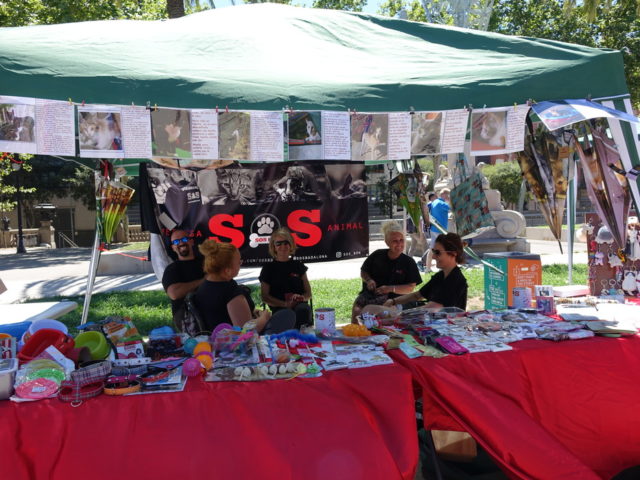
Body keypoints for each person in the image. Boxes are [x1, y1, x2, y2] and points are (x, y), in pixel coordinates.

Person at [194, 240, 295, 334]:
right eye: (239, 262)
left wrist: (253, 312)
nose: (241, 264)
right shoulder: (230, 291)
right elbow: (245, 331)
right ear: (227, 270)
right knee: (287, 315)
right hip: (235, 342)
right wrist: (264, 317)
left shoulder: (204, 286)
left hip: (213, 338)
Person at [351, 220, 422, 323]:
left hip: (395, 301)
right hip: (370, 296)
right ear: (387, 242)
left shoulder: (408, 262)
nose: (399, 244)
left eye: (401, 240)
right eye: (395, 241)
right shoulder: (377, 255)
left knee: (380, 314)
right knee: (357, 310)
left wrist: (390, 289)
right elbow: (364, 271)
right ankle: (356, 330)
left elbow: (410, 288)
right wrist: (369, 280)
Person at [385, 232, 467, 310]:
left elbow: (433, 307)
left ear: (453, 254)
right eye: (433, 251)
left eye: (437, 252)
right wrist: (393, 301)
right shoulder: (440, 276)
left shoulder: (455, 279)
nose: (433, 256)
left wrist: (398, 311)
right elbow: (417, 295)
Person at [259, 228, 313, 330]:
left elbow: (308, 293)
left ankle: (302, 338)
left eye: (286, 243)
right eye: (278, 243)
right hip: (279, 308)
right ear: (274, 247)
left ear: (291, 244)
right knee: (287, 314)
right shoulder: (268, 268)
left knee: (303, 310)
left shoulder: (298, 265)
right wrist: (284, 304)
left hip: (300, 307)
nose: (283, 246)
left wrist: (301, 298)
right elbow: (265, 297)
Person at [161, 229, 204, 329]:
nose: (181, 243)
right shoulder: (171, 269)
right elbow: (174, 294)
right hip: (187, 316)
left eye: (184, 239)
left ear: (191, 241)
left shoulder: (207, 262)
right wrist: (203, 281)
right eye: (176, 241)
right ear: (173, 247)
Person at [424, 188, 451, 272]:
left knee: (432, 249)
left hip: (433, 228)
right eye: (448, 195)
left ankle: (428, 268)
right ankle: (441, 268)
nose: (448, 197)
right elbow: (451, 208)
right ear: (444, 194)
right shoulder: (442, 203)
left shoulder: (433, 202)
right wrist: (450, 201)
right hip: (440, 230)